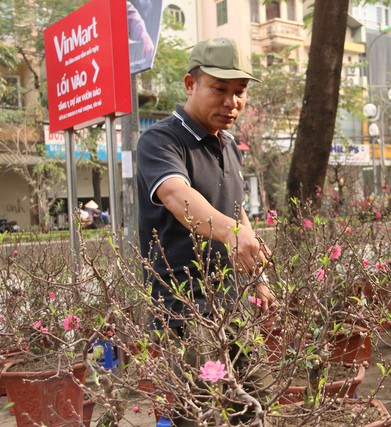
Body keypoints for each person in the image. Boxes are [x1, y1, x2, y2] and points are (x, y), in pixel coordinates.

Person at [136, 37, 274, 425]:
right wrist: (232, 232)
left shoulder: (228, 144)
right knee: (202, 415)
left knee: (257, 404)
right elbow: (177, 195)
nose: (232, 102)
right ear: (190, 84)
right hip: (184, 310)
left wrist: (258, 277)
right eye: (219, 89)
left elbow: (237, 210)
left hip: (231, 301)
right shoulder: (160, 140)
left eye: (240, 91)